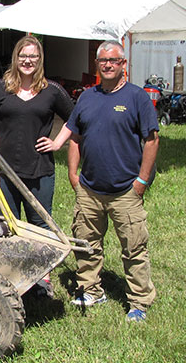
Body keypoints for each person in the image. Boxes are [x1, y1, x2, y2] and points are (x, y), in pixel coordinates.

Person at [66, 40, 159, 322]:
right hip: (90, 189)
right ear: (97, 65)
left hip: (125, 190)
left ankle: (139, 301)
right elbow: (74, 137)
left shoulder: (137, 97)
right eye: (103, 61)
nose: (108, 65)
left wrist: (142, 181)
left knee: (134, 248)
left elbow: (152, 140)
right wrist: (73, 173)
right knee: (86, 243)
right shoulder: (86, 97)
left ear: (123, 65)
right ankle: (91, 289)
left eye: (114, 61)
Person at [0, 35, 74, 297]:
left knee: (40, 227)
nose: (28, 61)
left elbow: (76, 118)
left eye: (33, 56)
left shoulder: (51, 90)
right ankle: (11, 281)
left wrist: (57, 143)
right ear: (16, 58)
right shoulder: (0, 90)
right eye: (23, 56)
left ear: (40, 59)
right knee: (9, 226)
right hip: (5, 171)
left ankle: (41, 280)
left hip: (40, 170)